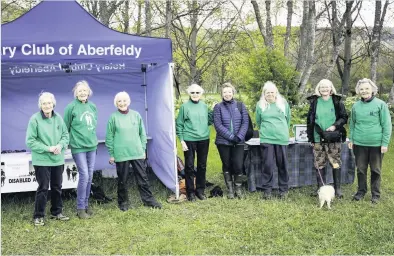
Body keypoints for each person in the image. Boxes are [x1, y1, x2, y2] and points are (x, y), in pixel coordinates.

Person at [105, 91, 161, 211]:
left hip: (137, 152)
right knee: (122, 180)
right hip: (121, 154)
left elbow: (142, 134)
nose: (122, 103)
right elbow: (109, 137)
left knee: (143, 178)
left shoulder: (136, 115)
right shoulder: (113, 117)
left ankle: (148, 200)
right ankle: (123, 203)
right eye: (119, 101)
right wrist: (112, 154)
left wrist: (143, 149)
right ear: (116, 103)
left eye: (124, 100)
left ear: (128, 101)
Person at [26, 92, 70, 226]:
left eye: (49, 103)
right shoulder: (34, 119)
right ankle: (38, 216)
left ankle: (56, 212)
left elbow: (65, 136)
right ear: (40, 105)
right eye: (44, 103)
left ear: (53, 104)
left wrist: (60, 145)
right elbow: (30, 141)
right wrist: (48, 148)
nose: (47, 105)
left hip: (57, 159)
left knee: (57, 186)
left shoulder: (59, 118)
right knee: (43, 187)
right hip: (42, 159)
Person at [349, 78, 392, 204]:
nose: (364, 91)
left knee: (375, 170)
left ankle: (375, 194)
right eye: (361, 89)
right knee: (361, 169)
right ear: (358, 91)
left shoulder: (381, 104)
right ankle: (361, 191)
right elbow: (352, 124)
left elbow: (387, 125)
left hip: (376, 144)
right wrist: (351, 139)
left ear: (372, 89)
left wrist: (385, 143)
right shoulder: (356, 106)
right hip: (359, 143)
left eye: (367, 88)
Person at [306, 79, 348, 198]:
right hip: (317, 137)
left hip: (333, 138)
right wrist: (311, 139)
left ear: (331, 88)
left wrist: (335, 126)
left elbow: (344, 117)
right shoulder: (314, 102)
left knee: (335, 162)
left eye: (327, 87)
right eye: (322, 87)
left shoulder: (337, 101)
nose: (324, 89)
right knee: (319, 163)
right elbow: (309, 121)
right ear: (318, 89)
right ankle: (321, 188)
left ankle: (337, 189)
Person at [64, 80, 98, 219]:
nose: (82, 93)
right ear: (75, 93)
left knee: (90, 175)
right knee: (84, 175)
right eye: (80, 91)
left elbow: (92, 125)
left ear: (88, 92)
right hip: (78, 147)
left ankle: (86, 205)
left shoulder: (93, 107)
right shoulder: (71, 107)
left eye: (85, 90)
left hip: (92, 146)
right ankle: (80, 208)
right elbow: (66, 128)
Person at [176, 83, 213, 201]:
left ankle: (200, 191)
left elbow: (208, 121)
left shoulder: (204, 106)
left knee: (202, 166)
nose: (195, 94)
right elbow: (179, 124)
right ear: (189, 94)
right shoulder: (184, 107)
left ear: (201, 94)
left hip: (203, 139)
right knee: (189, 166)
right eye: (192, 92)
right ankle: (190, 192)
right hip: (189, 139)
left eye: (197, 92)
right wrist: (182, 140)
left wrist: (213, 110)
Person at [255, 81, 291, 199]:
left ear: (276, 93)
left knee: (282, 165)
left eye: (272, 92)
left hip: (281, 138)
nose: (270, 94)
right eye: (267, 92)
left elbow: (288, 119)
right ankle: (267, 190)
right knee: (268, 165)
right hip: (267, 139)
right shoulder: (260, 105)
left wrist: (283, 131)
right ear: (264, 94)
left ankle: (283, 190)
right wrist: (266, 131)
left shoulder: (283, 103)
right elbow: (258, 121)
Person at [213, 83, 249, 199]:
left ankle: (238, 188)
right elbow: (218, 125)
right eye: (225, 92)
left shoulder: (240, 105)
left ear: (233, 93)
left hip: (239, 141)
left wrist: (239, 136)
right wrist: (231, 137)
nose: (227, 94)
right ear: (222, 94)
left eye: (229, 92)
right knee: (227, 164)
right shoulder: (218, 107)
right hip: (223, 142)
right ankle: (230, 190)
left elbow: (245, 122)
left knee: (238, 165)